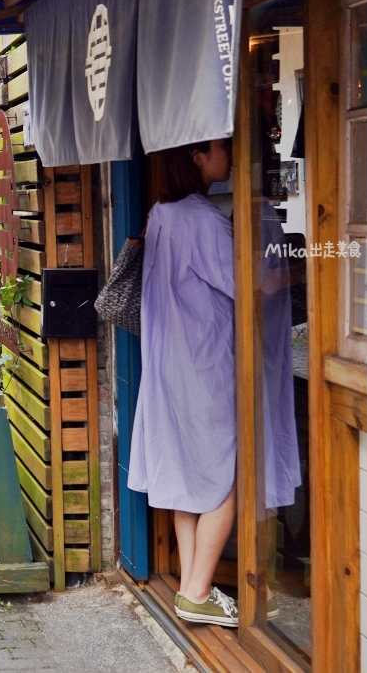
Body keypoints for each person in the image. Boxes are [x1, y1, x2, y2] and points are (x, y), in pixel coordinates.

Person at [127, 137, 242, 627]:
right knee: (225, 477)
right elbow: (246, 289)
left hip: (169, 363)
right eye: (222, 146)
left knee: (184, 473)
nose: (232, 152)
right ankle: (197, 589)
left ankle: (193, 590)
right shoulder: (205, 220)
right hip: (206, 364)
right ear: (196, 156)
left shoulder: (161, 214)